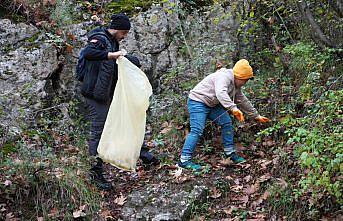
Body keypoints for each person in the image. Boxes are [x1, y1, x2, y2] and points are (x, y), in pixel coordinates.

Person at [80, 14, 158, 190]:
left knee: (123, 120)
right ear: (118, 29)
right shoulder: (99, 38)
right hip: (94, 94)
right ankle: (95, 172)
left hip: (105, 93)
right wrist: (111, 55)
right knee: (98, 130)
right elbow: (88, 53)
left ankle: (143, 154)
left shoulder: (112, 41)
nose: (124, 36)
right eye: (124, 32)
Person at [178, 59, 271, 171]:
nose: (245, 83)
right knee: (197, 130)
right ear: (239, 77)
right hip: (198, 101)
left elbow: (242, 100)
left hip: (212, 104)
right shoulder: (224, 77)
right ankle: (184, 160)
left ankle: (229, 153)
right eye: (245, 80)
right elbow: (220, 93)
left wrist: (256, 116)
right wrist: (233, 108)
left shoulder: (236, 86)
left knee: (226, 123)